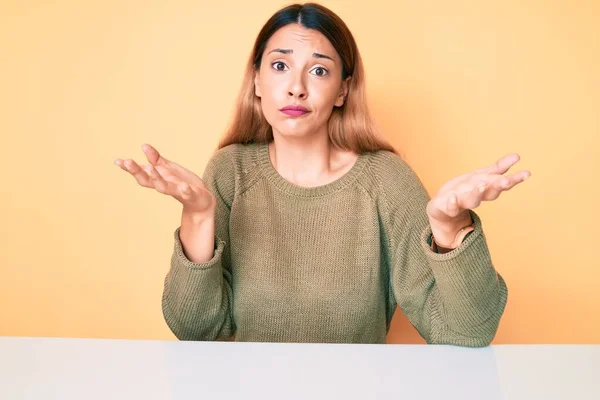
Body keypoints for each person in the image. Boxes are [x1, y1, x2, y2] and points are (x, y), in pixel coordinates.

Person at [114, 2, 530, 346]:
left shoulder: (386, 180)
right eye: (279, 66)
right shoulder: (231, 171)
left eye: (318, 70)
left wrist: (451, 228)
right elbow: (195, 330)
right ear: (256, 80)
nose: (296, 87)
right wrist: (198, 216)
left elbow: (468, 332)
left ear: (343, 90)